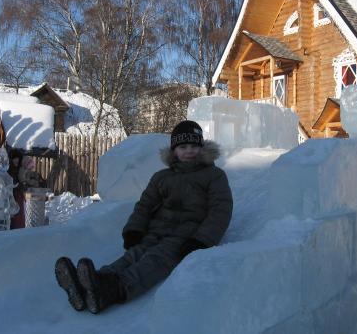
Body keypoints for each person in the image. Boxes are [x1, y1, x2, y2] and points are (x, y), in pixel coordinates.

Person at [55, 120, 233, 314]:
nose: (189, 151)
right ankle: (90, 282)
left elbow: (220, 210)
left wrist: (201, 240)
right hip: (156, 231)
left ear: (202, 148)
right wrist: (134, 229)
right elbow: (145, 205)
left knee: (154, 260)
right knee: (133, 255)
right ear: (174, 150)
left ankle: (115, 289)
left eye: (194, 146)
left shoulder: (214, 176)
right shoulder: (162, 177)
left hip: (185, 236)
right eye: (183, 147)